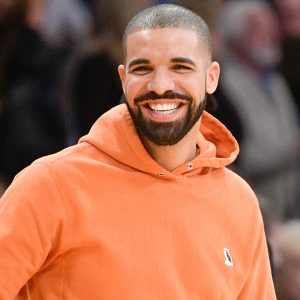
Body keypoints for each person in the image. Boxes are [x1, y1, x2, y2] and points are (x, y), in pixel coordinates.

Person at [0, 4, 276, 299]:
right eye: (143, 68)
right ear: (123, 78)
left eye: (180, 67)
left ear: (211, 78)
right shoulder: (50, 185)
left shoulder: (239, 202)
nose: (159, 86)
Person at [213, 0, 300, 223]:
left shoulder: (275, 79)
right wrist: (292, 148)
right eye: (256, 29)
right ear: (236, 38)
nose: (268, 35)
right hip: (258, 206)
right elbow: (244, 155)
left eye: (269, 27)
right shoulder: (225, 86)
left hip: (291, 202)